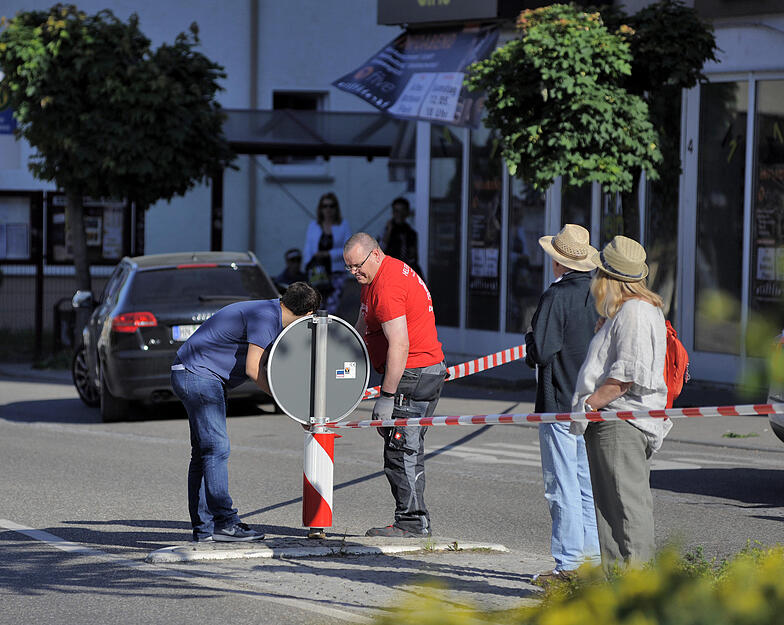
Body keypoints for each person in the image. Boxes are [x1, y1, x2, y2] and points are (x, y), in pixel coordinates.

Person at [171, 282, 321, 543]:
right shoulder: (266, 318)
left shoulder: (269, 310)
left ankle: (205, 529)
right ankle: (226, 523)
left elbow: (273, 365)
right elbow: (254, 369)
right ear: (307, 315)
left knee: (204, 453)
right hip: (199, 375)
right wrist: (290, 406)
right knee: (217, 449)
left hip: (191, 372)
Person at [570, 235, 670, 570]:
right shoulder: (633, 311)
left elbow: (626, 375)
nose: (595, 281)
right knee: (613, 512)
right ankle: (621, 593)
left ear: (610, 279)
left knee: (625, 513)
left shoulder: (635, 313)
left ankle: (637, 591)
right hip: (620, 422)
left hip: (620, 423)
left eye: (599, 274)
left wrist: (590, 405)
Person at [343, 232, 446, 537]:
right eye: (348, 268)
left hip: (412, 375)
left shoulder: (386, 285)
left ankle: (412, 524)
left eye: (357, 266)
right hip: (420, 371)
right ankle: (412, 520)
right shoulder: (376, 277)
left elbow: (399, 344)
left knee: (402, 450)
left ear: (375, 254)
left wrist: (387, 396)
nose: (354, 273)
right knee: (401, 447)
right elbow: (363, 325)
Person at [524, 224, 601, 583]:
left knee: (562, 486)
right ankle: (593, 561)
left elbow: (541, 350)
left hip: (558, 402)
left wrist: (529, 337)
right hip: (591, 401)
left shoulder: (555, 297)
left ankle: (568, 564)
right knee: (587, 485)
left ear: (558, 263)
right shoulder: (601, 293)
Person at [303, 192, 352, 314]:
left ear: (336, 208)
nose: (328, 209)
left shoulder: (343, 225)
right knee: (316, 306)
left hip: (336, 272)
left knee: (331, 307)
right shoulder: (314, 225)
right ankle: (318, 333)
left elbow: (349, 249)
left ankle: (329, 332)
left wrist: (328, 254)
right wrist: (307, 266)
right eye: (325, 206)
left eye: (331, 206)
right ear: (320, 208)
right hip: (317, 272)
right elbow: (308, 248)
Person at [380, 197, 424, 278]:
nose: (399, 215)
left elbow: (413, 257)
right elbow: (381, 249)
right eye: (396, 211)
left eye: (402, 211)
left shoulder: (410, 232)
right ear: (393, 213)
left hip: (405, 271)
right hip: (390, 271)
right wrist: (389, 231)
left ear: (407, 213)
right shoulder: (387, 229)